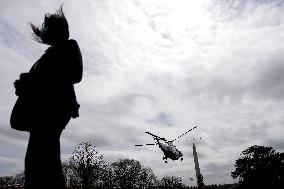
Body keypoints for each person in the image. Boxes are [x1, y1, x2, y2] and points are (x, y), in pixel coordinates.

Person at [14, 6, 83, 188]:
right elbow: (43, 82)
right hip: (42, 111)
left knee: (41, 160)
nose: (43, 29)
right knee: (39, 160)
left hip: (53, 110)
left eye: (47, 26)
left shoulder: (69, 45)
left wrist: (33, 81)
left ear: (56, 29)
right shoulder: (49, 54)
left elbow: (74, 74)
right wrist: (25, 86)